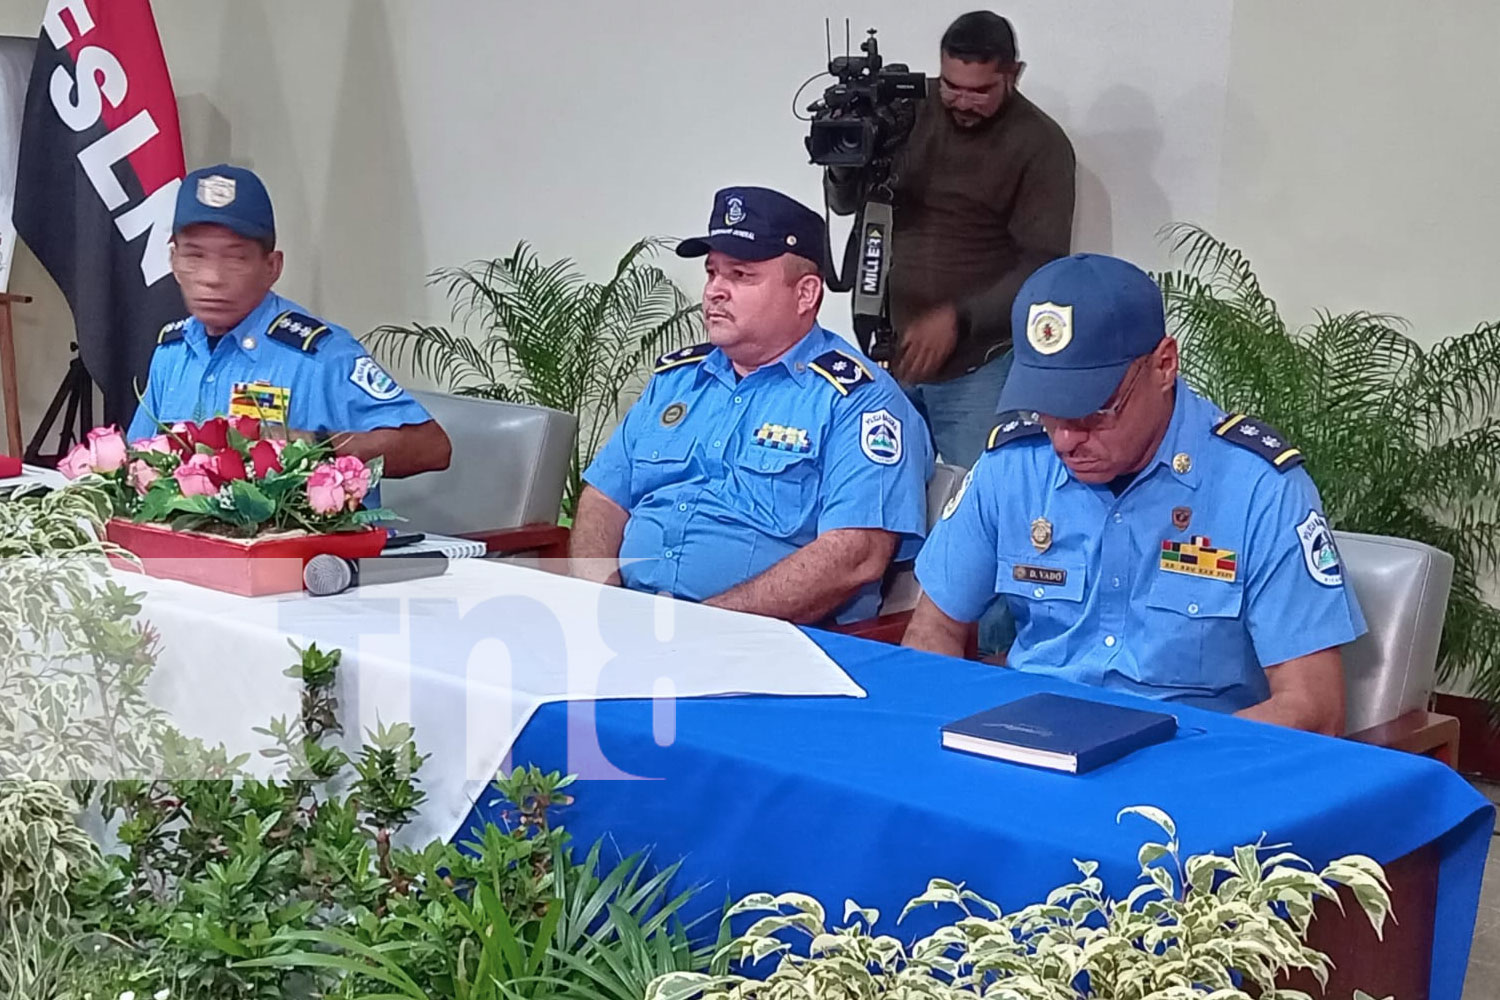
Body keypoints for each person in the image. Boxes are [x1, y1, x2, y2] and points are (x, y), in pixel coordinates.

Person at [903, 253, 1365, 735]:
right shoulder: (1013, 466)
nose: (1064, 440)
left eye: (1093, 411)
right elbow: (933, 629)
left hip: (1190, 768)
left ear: (1165, 365)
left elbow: (1315, 707)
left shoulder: (1259, 489)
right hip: (1030, 752)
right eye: (1048, 410)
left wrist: (1173, 760)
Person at [572, 186, 933, 625]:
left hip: (763, 645)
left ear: (805, 294)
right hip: (629, 627)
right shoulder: (676, 381)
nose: (714, 292)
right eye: (712, 273)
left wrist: (698, 628)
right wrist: (602, 605)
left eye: (740, 275)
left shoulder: (860, 400)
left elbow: (855, 554)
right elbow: (603, 499)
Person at [825, 9, 1075, 469]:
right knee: (886, 503)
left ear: (1013, 74)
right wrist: (842, 160)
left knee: (978, 500)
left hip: (981, 368)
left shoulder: (1041, 144)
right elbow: (845, 204)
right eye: (950, 85)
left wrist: (958, 318)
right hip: (891, 353)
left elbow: (1043, 267)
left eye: (979, 91)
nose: (961, 102)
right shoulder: (905, 112)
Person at [127, 164, 451, 488]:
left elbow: (431, 446)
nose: (212, 278)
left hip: (303, 538)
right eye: (195, 256)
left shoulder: (321, 356)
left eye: (235, 258)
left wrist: (314, 448)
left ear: (272, 267)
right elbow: (137, 458)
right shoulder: (172, 352)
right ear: (173, 261)